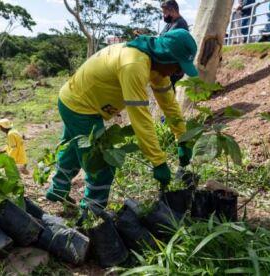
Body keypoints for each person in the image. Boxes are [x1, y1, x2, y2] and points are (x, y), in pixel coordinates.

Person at [45, 29, 197, 211]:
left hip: (77, 100)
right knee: (100, 164)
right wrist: (158, 162)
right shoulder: (134, 64)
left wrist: (183, 139)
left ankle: (57, 192)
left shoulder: (158, 68)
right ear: (166, 57)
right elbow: (140, 118)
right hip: (79, 107)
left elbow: (170, 106)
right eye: (178, 66)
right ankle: (91, 214)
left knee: (73, 152)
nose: (178, 72)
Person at [160, 0, 189, 90]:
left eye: (165, 13)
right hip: (168, 65)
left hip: (175, 67)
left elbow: (165, 41)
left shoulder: (180, 24)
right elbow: (160, 38)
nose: (164, 16)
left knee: (169, 93)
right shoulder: (170, 23)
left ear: (172, 10)